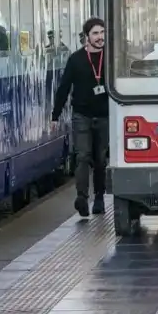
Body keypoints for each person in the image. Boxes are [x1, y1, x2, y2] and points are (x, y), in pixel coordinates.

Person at [51, 17, 109, 217]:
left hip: (105, 115)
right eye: (95, 33)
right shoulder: (76, 60)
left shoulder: (111, 58)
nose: (100, 37)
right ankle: (82, 198)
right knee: (82, 156)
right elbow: (64, 88)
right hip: (81, 115)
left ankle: (99, 197)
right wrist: (55, 115)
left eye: (102, 32)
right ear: (87, 37)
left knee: (101, 159)